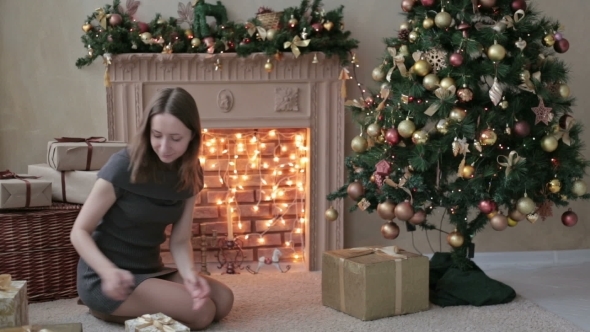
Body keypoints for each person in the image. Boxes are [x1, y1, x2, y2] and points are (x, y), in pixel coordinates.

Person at [70, 87, 233, 330]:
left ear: (192, 136)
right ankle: (101, 306)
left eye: (175, 138)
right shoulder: (122, 166)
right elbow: (79, 232)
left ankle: (137, 305)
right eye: (157, 135)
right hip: (107, 277)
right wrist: (108, 272)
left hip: (149, 270)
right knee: (203, 313)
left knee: (223, 301)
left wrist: (189, 275)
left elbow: (179, 240)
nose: (164, 146)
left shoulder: (190, 172)